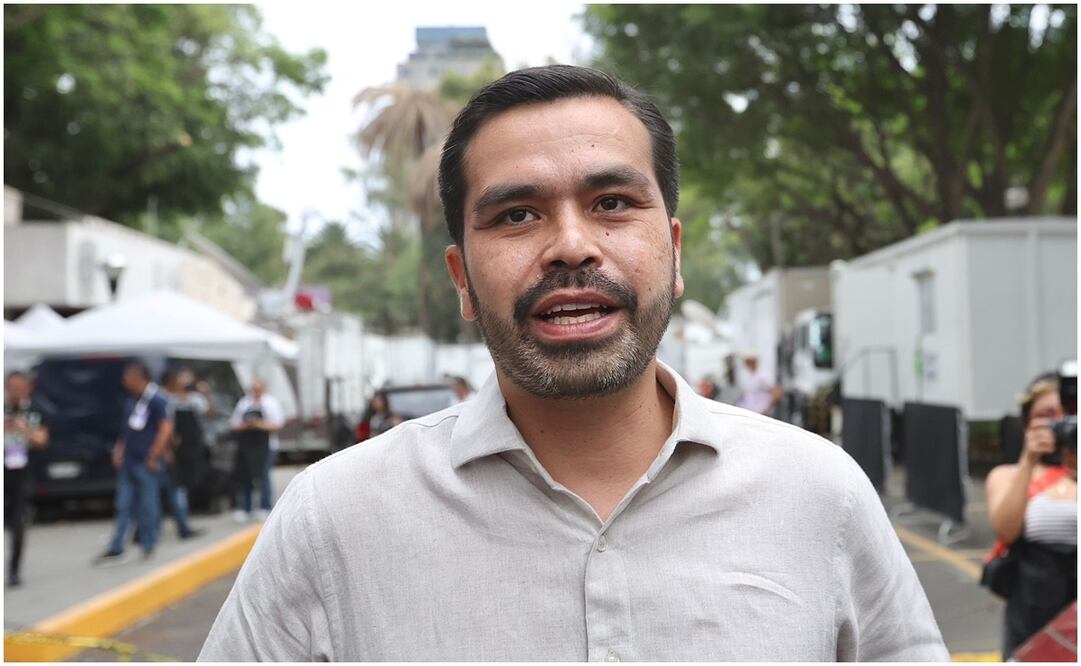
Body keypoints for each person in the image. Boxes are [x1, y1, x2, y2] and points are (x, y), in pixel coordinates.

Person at [200, 65, 946, 661]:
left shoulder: (819, 494)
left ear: (675, 253)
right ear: (462, 279)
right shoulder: (334, 520)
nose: (570, 245)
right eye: (516, 214)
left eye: (613, 202)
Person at [985, 374, 1077, 658]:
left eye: (1068, 415)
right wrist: (1028, 461)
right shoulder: (1008, 475)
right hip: (1033, 608)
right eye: (1047, 416)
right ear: (1027, 423)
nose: (1060, 424)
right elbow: (1006, 530)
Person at [97, 361, 173, 564]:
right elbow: (128, 429)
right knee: (123, 504)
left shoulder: (156, 399)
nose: (124, 381)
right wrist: (120, 449)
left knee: (148, 504)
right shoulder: (132, 400)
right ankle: (117, 546)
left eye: (128, 377)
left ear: (139, 377)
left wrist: (153, 455)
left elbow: (165, 428)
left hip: (145, 462)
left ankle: (148, 544)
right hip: (129, 461)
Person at [4, 371, 48, 587]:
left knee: (18, 523)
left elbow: (42, 439)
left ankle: (14, 571)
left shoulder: (35, 409)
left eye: (20, 388)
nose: (15, 392)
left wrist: (25, 431)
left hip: (22, 473)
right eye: (11, 388)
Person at [228, 378, 283, 523]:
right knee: (246, 477)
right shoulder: (244, 403)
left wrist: (259, 424)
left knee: (264, 477)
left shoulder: (270, 403)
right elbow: (234, 424)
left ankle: (266, 507)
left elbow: (278, 424)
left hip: (266, 447)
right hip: (247, 447)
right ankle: (246, 508)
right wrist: (247, 425)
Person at [158, 370, 204, 540]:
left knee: (174, 490)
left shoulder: (190, 400)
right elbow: (165, 428)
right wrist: (167, 449)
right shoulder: (165, 401)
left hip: (182, 454)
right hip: (167, 456)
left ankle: (182, 526)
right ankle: (182, 527)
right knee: (168, 491)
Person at [736, 351, 781, 415]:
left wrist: (765, 409)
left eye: (747, 362)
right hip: (750, 413)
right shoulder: (750, 376)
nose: (746, 364)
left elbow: (776, 392)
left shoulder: (764, 375)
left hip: (761, 414)